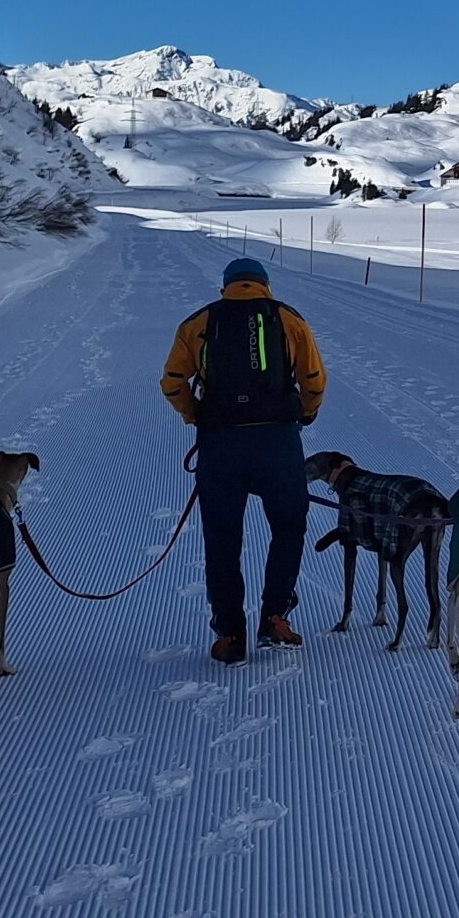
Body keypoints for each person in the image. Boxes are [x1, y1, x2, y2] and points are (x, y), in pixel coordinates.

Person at [161, 256, 328, 664]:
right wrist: (307, 412)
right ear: (265, 285)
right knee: (289, 527)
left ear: (226, 286)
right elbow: (313, 379)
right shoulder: (288, 319)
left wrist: (193, 413)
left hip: (221, 443)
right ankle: (275, 616)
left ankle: (230, 634)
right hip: (277, 440)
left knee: (222, 540)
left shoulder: (198, 323)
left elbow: (172, 382)